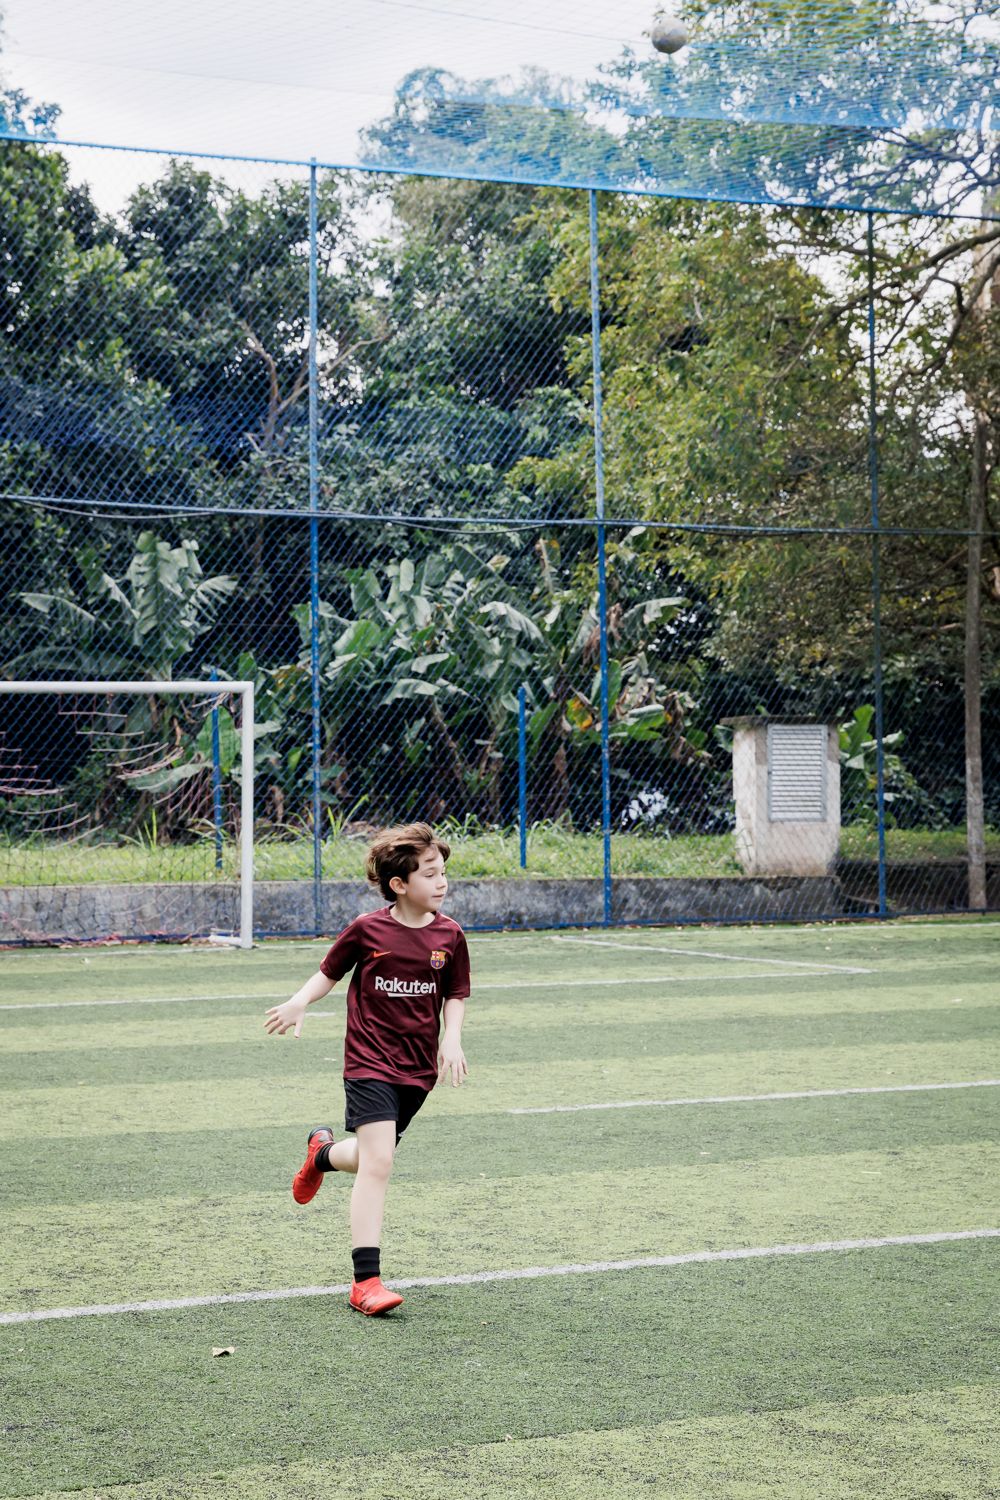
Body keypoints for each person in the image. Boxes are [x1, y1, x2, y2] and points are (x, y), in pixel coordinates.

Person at [264, 822, 470, 1316]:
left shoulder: (450, 935)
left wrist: (452, 1040)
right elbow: (329, 972)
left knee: (369, 1157)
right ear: (399, 885)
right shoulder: (368, 929)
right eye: (430, 874)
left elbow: (456, 993)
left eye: (444, 873)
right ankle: (365, 1282)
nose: (441, 883)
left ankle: (321, 1154)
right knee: (380, 1164)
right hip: (368, 1061)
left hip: (417, 1070)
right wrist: (299, 1001)